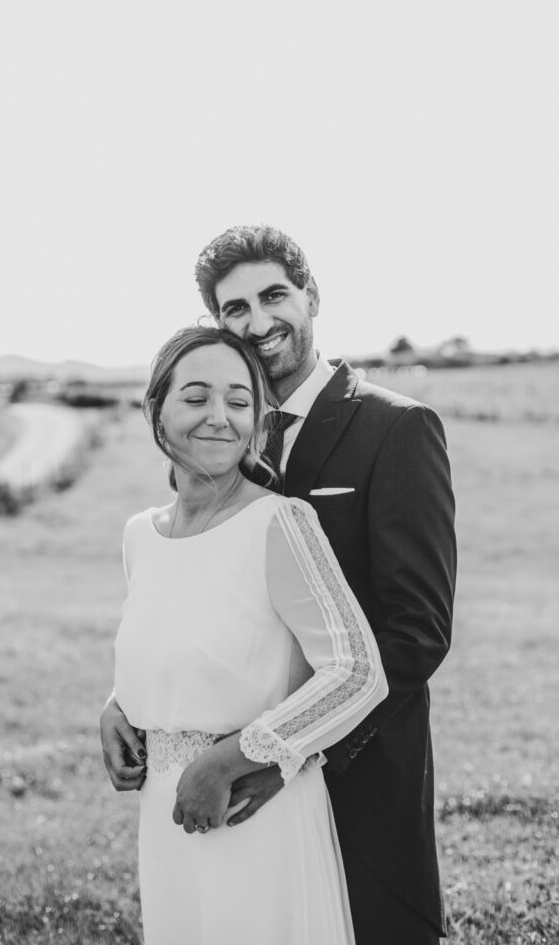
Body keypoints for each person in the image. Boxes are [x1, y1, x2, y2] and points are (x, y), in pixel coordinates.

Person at [102, 225, 457, 945]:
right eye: (234, 309)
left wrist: (284, 753)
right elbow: (204, 599)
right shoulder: (222, 427)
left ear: (311, 297)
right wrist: (126, 699)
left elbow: (415, 631)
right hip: (215, 776)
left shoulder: (396, 428)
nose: (258, 323)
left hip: (360, 760)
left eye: (273, 296)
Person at [108, 324, 388, 945]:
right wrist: (117, 704)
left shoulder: (280, 523)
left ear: (258, 423)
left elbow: (357, 671)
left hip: (252, 813)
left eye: (239, 402)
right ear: (157, 409)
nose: (219, 418)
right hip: (166, 815)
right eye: (196, 397)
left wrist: (233, 759)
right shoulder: (139, 536)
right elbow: (175, 638)